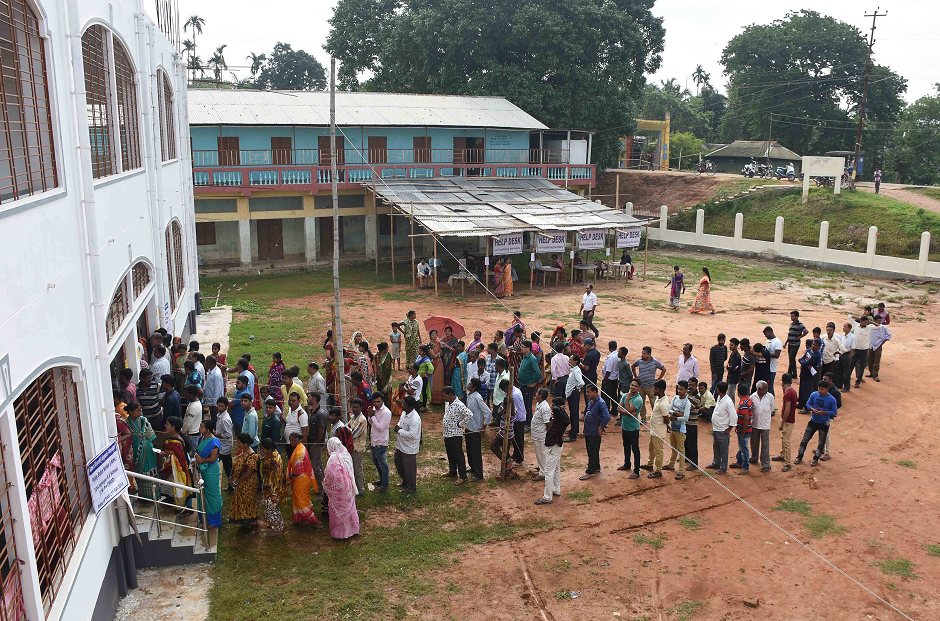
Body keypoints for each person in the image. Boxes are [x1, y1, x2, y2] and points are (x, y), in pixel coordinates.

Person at [323, 438, 360, 539]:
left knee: (339, 510)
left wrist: (326, 484)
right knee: (349, 509)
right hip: (349, 488)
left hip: (338, 490)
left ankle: (341, 534)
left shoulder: (333, 458)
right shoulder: (346, 454)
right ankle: (353, 529)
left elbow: (330, 475)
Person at [794, 380, 838, 467]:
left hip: (824, 422)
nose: (820, 391)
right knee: (805, 439)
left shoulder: (831, 399)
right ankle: (799, 456)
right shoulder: (814, 394)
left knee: (821, 442)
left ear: (827, 389)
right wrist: (812, 409)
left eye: (822, 389)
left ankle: (815, 459)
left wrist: (824, 412)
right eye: (819, 389)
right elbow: (808, 404)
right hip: (813, 421)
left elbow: (834, 411)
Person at [535, 397, 568, 504]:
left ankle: (547, 497)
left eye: (553, 405)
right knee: (556, 468)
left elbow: (557, 411)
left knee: (549, 471)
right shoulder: (563, 416)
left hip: (554, 446)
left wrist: (558, 408)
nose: (551, 407)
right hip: (557, 445)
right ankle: (556, 489)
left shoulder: (560, 416)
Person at [286, 433, 320, 526]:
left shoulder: (300, 451)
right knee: (299, 499)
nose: (290, 443)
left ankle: (313, 520)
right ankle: (299, 519)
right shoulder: (299, 448)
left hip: (301, 479)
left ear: (293, 440)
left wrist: (291, 475)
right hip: (300, 479)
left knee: (302, 501)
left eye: (290, 441)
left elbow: (298, 470)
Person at [194, 420, 223, 528]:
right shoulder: (203, 438)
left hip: (211, 470)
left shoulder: (214, 442)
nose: (199, 428)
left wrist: (202, 460)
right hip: (204, 470)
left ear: (208, 429)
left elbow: (213, 458)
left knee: (212, 494)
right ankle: (204, 516)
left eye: (202, 427)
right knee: (203, 493)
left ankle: (214, 521)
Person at [126, 401, 158, 498]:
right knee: (139, 473)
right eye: (137, 411)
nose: (139, 413)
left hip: (147, 449)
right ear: (130, 412)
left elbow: (151, 435)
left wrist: (146, 444)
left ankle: (153, 496)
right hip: (135, 450)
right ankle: (143, 496)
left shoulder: (144, 421)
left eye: (140, 410)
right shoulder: (127, 423)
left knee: (149, 471)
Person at [158, 416, 191, 508]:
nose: (165, 426)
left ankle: (181, 505)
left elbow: (178, 456)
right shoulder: (172, 438)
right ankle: (170, 498)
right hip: (171, 467)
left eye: (167, 425)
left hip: (178, 468)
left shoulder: (177, 442)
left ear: (173, 427)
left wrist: (165, 454)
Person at [441, 386, 472, 484]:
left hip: (455, 434)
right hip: (447, 433)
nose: (444, 398)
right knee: (450, 454)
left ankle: (463, 476)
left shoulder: (459, 404)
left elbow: (469, 414)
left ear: (450, 394)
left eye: (445, 396)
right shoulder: (447, 403)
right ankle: (452, 471)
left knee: (458, 455)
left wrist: (461, 424)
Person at [579, 384, 610, 480]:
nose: (586, 393)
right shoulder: (590, 401)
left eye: (588, 392)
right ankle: (596, 466)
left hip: (594, 431)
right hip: (588, 430)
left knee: (592, 450)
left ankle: (590, 471)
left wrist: (600, 427)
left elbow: (607, 416)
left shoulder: (601, 403)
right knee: (591, 450)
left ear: (594, 392)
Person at [229, 433, 259, 529]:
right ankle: (244, 521)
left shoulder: (252, 456)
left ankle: (252, 524)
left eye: (239, 443)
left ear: (245, 444)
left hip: (248, 484)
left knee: (248, 503)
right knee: (241, 502)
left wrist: (237, 481)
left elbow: (249, 472)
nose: (238, 444)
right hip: (241, 484)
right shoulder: (241, 453)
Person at [640, 379, 669, 478]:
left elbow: (666, 419)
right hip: (654, 430)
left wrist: (666, 426)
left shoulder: (663, 403)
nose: (654, 391)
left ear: (661, 390)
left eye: (655, 389)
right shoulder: (659, 398)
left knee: (658, 451)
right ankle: (649, 464)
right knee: (651, 448)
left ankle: (658, 471)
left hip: (658, 431)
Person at [259, 438, 287, 536]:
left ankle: (278, 528)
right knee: (269, 508)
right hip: (268, 487)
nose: (262, 451)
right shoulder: (270, 455)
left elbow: (277, 478)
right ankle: (272, 524)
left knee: (273, 508)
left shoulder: (275, 461)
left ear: (270, 449)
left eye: (263, 449)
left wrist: (274, 493)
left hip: (274, 490)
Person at [664, 380, 691, 480]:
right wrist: (677, 414)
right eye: (678, 389)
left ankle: (681, 471)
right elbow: (669, 410)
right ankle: (671, 464)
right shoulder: (675, 398)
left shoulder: (687, 403)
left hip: (680, 429)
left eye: (681, 389)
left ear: (686, 390)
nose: (679, 391)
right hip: (673, 427)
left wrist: (675, 417)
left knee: (681, 450)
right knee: (673, 447)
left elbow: (686, 418)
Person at [631, 346, 666, 424]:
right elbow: (633, 366)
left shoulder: (655, 362)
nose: (642, 355)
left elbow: (663, 369)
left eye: (644, 354)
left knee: (654, 403)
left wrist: (659, 379)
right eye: (642, 353)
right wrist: (636, 376)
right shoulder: (639, 361)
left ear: (649, 354)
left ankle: (655, 418)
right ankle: (643, 418)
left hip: (651, 387)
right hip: (641, 387)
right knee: (641, 403)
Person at [464, 378, 491, 482]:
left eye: (470, 384)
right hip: (468, 427)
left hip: (475, 428)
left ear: (474, 387)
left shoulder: (478, 397)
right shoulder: (469, 395)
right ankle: (472, 467)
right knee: (469, 449)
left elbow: (487, 412)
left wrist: (483, 428)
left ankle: (479, 474)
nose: (468, 385)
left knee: (476, 451)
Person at [395, 397, 422, 493]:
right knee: (398, 462)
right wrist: (398, 425)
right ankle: (405, 481)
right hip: (400, 445)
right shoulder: (404, 412)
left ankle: (411, 487)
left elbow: (412, 434)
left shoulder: (415, 419)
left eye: (404, 404)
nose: (402, 405)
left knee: (409, 468)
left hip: (409, 448)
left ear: (410, 406)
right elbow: (400, 421)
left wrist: (399, 430)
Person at [771, 374, 798, 471]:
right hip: (790, 420)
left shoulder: (788, 394)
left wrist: (782, 423)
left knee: (786, 441)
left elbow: (787, 410)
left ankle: (788, 462)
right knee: (784, 438)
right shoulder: (792, 391)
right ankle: (782, 455)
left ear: (782, 382)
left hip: (788, 421)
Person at [706, 382, 734, 474]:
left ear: (718, 390)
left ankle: (723, 467)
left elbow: (734, 417)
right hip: (716, 428)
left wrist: (729, 429)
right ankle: (716, 463)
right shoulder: (720, 398)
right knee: (716, 447)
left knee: (723, 450)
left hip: (723, 430)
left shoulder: (728, 402)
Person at [618, 379, 643, 479]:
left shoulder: (638, 399)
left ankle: (636, 471)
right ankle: (627, 464)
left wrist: (627, 402)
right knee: (626, 447)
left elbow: (627, 410)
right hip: (625, 427)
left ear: (639, 388)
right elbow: (618, 408)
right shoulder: (625, 395)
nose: (633, 387)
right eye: (632, 385)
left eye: (635, 386)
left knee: (635, 449)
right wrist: (628, 412)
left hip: (633, 429)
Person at [368, 392, 392, 492]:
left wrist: (372, 416)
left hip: (381, 442)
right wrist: (370, 416)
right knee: (376, 462)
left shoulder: (386, 412)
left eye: (378, 401)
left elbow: (381, 428)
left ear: (382, 401)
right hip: (374, 441)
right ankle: (382, 480)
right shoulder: (374, 410)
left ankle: (385, 486)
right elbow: (371, 423)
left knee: (383, 463)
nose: (376, 404)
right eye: (374, 402)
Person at [749, 380, 775, 473]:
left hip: (765, 424)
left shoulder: (770, 397)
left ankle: (766, 464)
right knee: (754, 442)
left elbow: (772, 409)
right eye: (765, 388)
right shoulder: (752, 397)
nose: (767, 389)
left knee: (765, 444)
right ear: (759, 389)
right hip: (755, 423)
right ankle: (754, 457)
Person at [529, 388, 552, 481]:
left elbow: (547, 423)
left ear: (541, 395)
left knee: (543, 453)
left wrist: (547, 435)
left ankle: (543, 473)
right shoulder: (539, 404)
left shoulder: (545, 407)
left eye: (537, 393)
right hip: (537, 434)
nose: (535, 395)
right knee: (539, 453)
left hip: (541, 435)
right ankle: (542, 467)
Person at [347, 399, 369, 495]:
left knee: (357, 469)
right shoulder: (353, 417)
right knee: (353, 468)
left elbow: (354, 434)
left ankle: (361, 489)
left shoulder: (362, 420)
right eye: (353, 407)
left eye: (356, 407)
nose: (354, 409)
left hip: (357, 448)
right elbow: (347, 427)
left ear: (361, 408)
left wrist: (345, 432)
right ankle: (356, 486)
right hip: (352, 447)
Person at [731, 383, 753, 475]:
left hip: (743, 429)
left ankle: (745, 467)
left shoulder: (743, 403)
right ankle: (739, 461)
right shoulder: (748, 400)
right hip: (746, 428)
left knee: (744, 448)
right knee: (742, 446)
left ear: (738, 392)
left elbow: (746, 418)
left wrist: (743, 430)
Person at [820, 372, 842, 462]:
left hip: (829, 416)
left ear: (831, 381)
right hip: (821, 415)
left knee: (826, 433)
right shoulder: (824, 389)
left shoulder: (835, 392)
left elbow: (839, 404)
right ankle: (821, 448)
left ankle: (827, 453)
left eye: (825, 379)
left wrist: (830, 410)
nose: (823, 380)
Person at [518, 340, 541, 426]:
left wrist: (534, 383)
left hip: (528, 386)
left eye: (523, 347)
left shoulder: (532, 359)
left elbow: (537, 372)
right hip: (523, 384)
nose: (521, 348)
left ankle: (528, 424)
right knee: (523, 404)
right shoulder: (525, 356)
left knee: (527, 405)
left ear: (528, 348)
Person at [564, 354, 584, 442]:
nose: (569, 361)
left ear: (575, 362)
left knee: (574, 414)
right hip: (571, 394)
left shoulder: (576, 371)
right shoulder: (573, 369)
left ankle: (573, 435)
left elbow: (581, 382)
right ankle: (573, 430)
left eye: (571, 360)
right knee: (572, 413)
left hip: (573, 394)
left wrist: (576, 387)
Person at [798, 339, 822, 411]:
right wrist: (803, 362)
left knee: (806, 391)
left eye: (816, 345)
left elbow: (805, 363)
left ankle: (807, 408)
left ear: (819, 347)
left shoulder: (817, 355)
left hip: (809, 375)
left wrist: (803, 362)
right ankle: (801, 404)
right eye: (813, 344)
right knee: (801, 389)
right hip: (803, 372)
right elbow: (801, 359)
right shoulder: (808, 350)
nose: (813, 346)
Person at [216, 398, 234, 485]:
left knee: (227, 467)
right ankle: (232, 484)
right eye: (218, 406)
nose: (220, 408)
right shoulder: (219, 415)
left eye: (222, 406)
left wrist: (218, 435)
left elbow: (228, 434)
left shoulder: (225, 419)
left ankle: (232, 483)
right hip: (221, 445)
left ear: (226, 407)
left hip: (225, 447)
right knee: (228, 467)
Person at [868, 315, 892, 382]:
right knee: (870, 360)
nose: (879, 322)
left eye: (880, 320)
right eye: (878, 320)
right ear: (874, 321)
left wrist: (882, 342)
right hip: (870, 345)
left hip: (878, 346)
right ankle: (871, 373)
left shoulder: (883, 328)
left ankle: (875, 375)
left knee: (876, 361)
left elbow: (889, 334)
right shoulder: (870, 327)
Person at [599, 340, 620, 413]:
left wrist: (605, 379)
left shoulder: (611, 357)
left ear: (609, 347)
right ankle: (614, 410)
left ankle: (606, 411)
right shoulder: (618, 355)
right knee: (614, 394)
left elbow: (608, 370)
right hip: (615, 378)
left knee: (605, 396)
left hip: (609, 379)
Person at [181, 386, 204, 452]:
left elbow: (188, 424)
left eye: (186, 393)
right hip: (194, 433)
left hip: (192, 435)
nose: (184, 394)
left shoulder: (193, 407)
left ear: (192, 395)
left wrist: (182, 432)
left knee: (192, 454)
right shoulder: (193, 403)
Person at [785, 311, 808, 377]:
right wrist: (786, 343)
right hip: (790, 343)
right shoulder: (791, 324)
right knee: (791, 358)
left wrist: (800, 337)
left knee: (792, 358)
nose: (791, 317)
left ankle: (790, 373)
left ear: (797, 316)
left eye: (793, 316)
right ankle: (792, 373)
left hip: (795, 344)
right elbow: (789, 334)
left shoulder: (800, 324)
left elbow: (806, 331)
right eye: (791, 316)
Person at [762, 327, 783, 394]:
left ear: (771, 332)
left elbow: (777, 355)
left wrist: (766, 354)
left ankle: (772, 403)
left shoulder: (777, 342)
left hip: (772, 368)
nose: (766, 336)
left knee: (770, 387)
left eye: (766, 334)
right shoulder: (768, 340)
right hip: (766, 367)